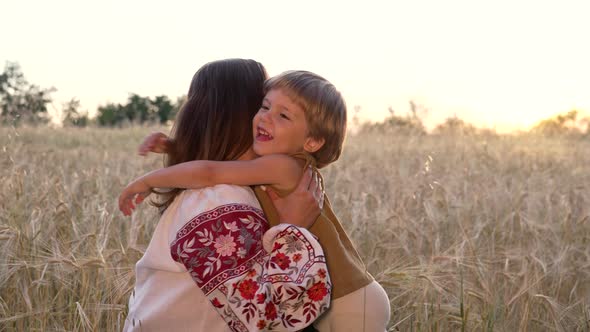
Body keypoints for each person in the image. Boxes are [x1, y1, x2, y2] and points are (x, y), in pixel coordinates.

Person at [120, 70, 391, 331]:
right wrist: (175, 145)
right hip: (340, 297)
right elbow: (224, 160)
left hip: (350, 300)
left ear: (311, 142)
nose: (265, 118)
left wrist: (149, 180)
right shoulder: (270, 163)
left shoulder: (284, 166)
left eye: (283, 115)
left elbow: (212, 171)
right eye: (263, 107)